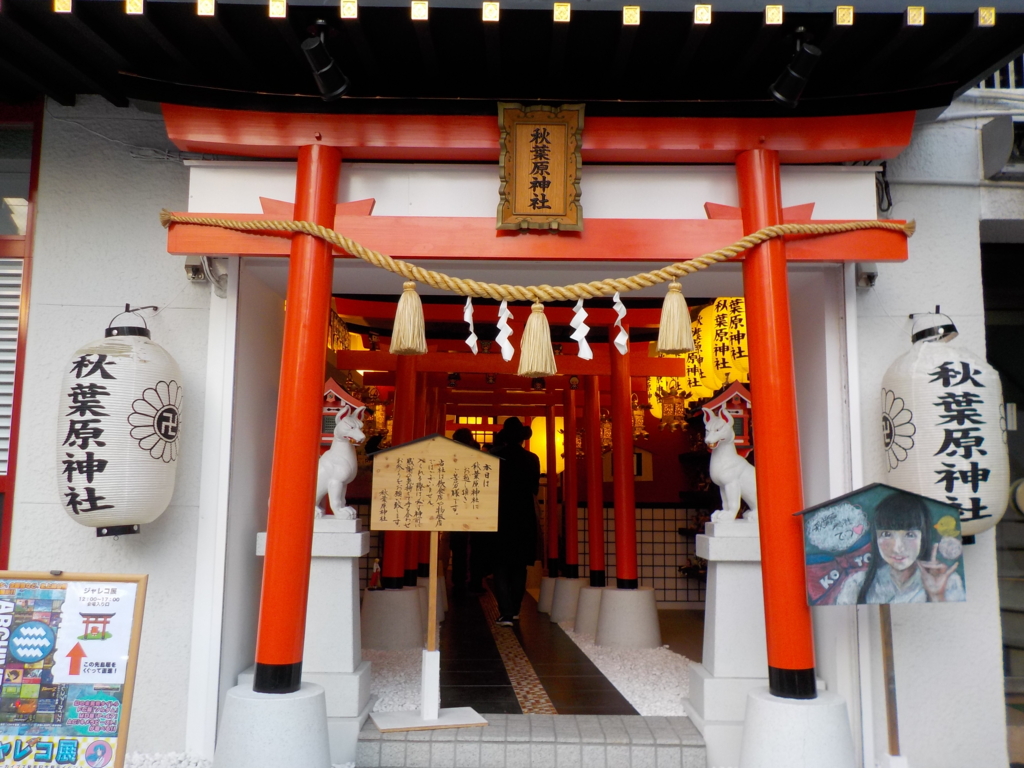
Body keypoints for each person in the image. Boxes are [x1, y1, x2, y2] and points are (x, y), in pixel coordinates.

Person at [836, 492, 965, 604]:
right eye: (887, 534)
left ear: (923, 538)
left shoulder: (948, 582)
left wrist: (937, 595)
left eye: (910, 535)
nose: (898, 548)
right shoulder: (856, 585)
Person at [488, 417, 541, 625]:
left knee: (500, 565)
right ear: (522, 438)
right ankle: (516, 609)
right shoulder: (532, 459)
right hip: (524, 514)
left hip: (499, 513)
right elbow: (534, 488)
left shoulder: (495, 457)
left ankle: (506, 612)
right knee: (519, 566)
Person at [449, 428, 481, 595]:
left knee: (459, 547)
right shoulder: (477, 453)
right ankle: (475, 581)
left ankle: (459, 580)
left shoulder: (451, 455)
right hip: (475, 506)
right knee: (475, 546)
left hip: (456, 506)